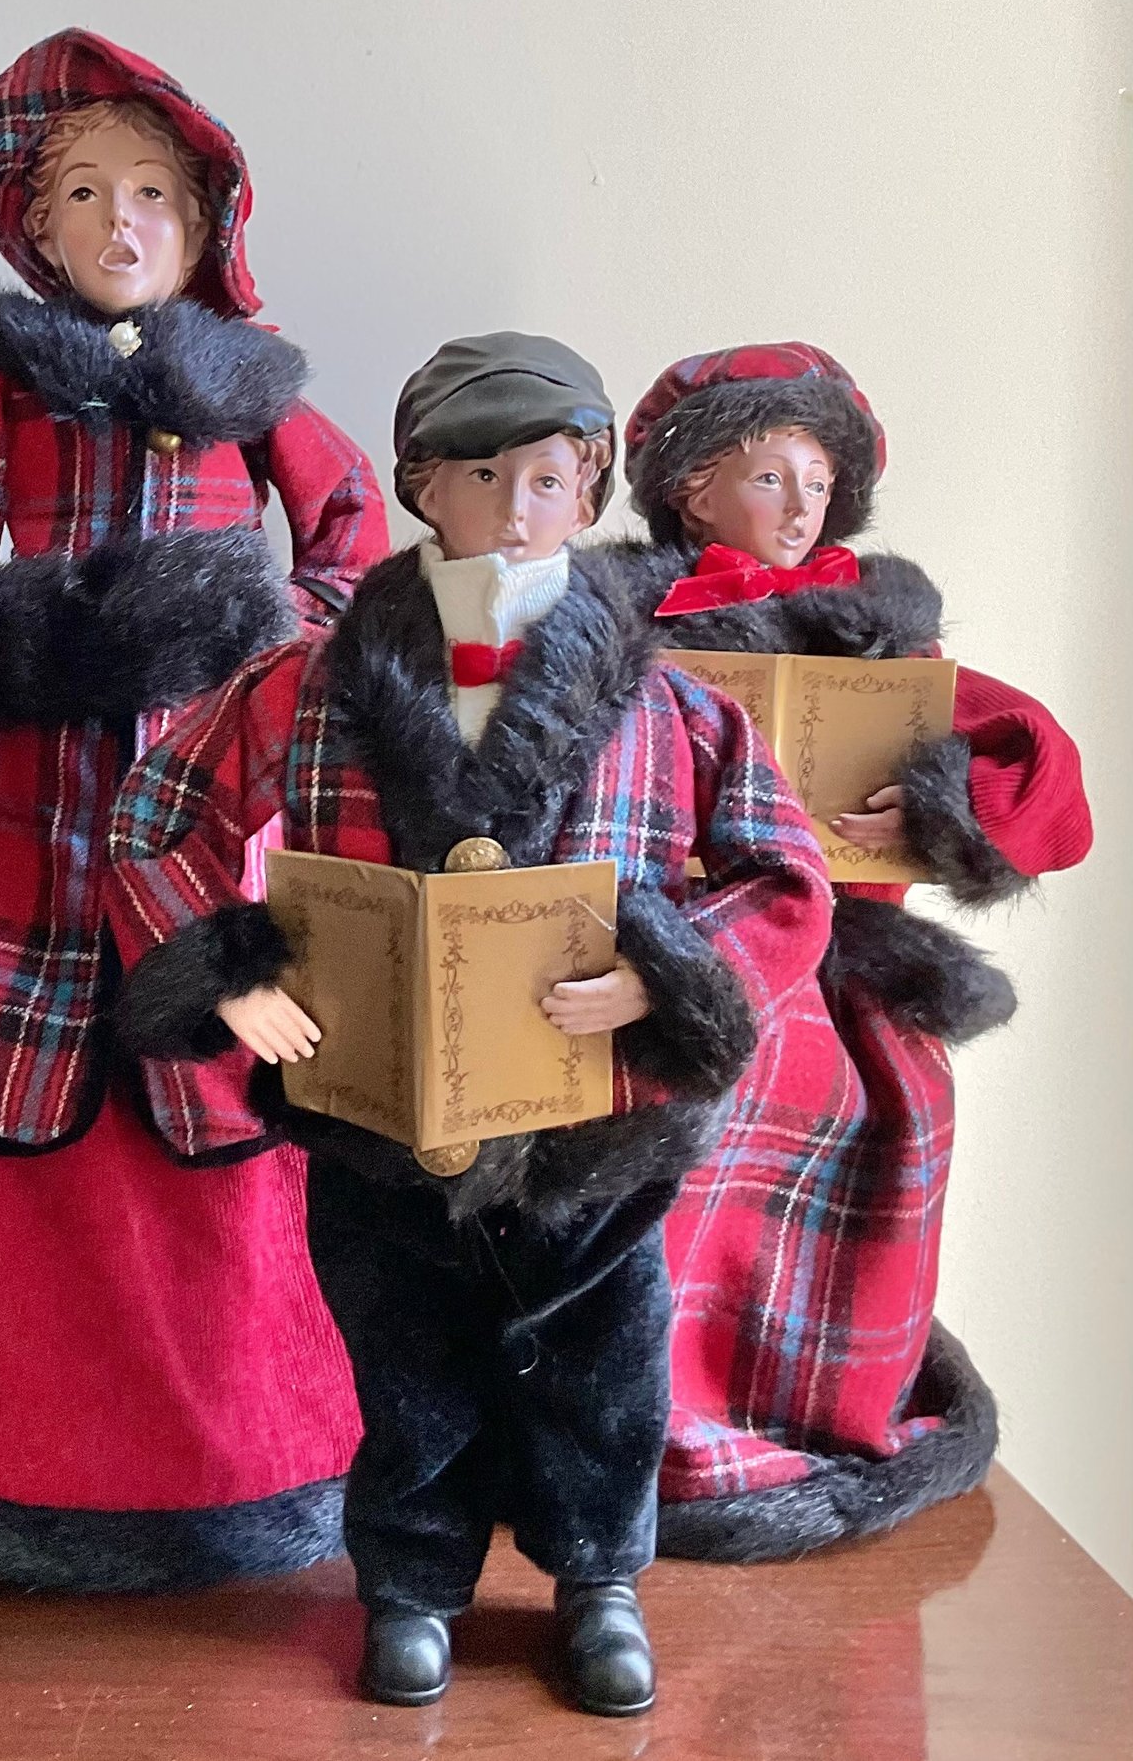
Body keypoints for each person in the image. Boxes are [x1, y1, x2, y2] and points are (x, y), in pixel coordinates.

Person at [108, 334, 833, 1713]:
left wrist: (668, 976)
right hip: (378, 1113)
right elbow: (155, 816)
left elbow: (784, 874)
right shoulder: (306, 684)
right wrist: (227, 971)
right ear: (421, 487)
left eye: (547, 478)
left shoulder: (670, 702)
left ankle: (598, 1580)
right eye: (480, 476)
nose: (514, 508)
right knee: (406, 1371)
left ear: (590, 490)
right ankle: (409, 1582)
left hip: (594, 1127)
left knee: (606, 1370)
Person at [0, 29, 386, 1590]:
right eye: (87, 195)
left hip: (208, 791)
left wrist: (263, 658)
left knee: (230, 1052)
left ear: (204, 222)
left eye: (152, 194)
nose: (121, 222)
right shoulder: (3, 396)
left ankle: (232, 1454)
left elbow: (350, 544)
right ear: (37, 230)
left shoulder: (256, 395)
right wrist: (17, 650)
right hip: (10, 797)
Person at [614, 343, 1092, 1559]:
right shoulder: (622, 627)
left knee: (885, 1119)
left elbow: (1036, 762)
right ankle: (645, 1418)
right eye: (766, 478)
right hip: (683, 955)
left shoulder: (878, 638)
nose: (796, 508)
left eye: (816, 484)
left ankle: (819, 1405)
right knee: (674, 1142)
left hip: (844, 971)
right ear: (690, 491)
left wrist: (937, 806)